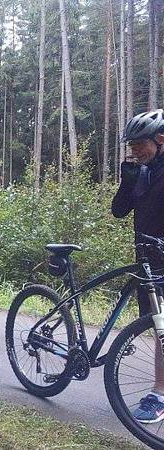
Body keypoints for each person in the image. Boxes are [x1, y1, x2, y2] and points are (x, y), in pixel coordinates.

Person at [111, 109, 164, 423]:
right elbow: (119, 211)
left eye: (139, 144)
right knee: (160, 329)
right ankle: (159, 394)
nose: (135, 151)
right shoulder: (141, 172)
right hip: (148, 263)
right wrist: (126, 181)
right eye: (131, 146)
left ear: (160, 139)